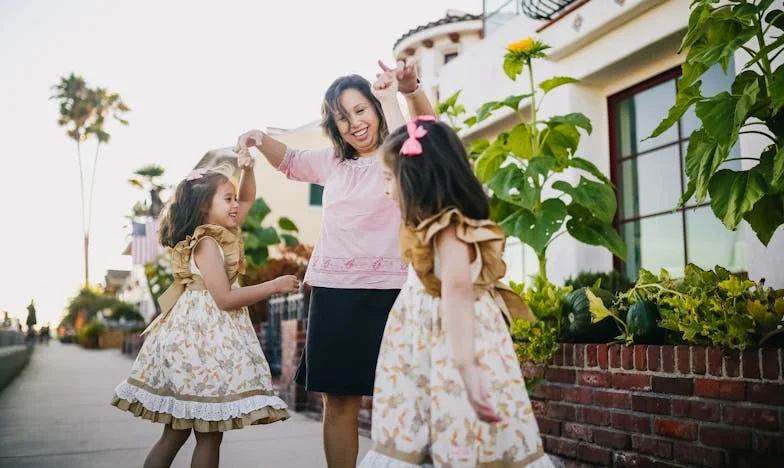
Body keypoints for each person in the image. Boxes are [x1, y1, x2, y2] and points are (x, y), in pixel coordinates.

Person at [234, 61, 434, 468]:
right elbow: (288, 160)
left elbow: (425, 130)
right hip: (335, 295)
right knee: (338, 401)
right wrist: (258, 137)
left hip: (395, 295)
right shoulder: (332, 163)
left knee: (402, 398)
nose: (354, 124)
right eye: (342, 118)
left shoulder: (400, 154)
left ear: (377, 109)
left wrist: (407, 91)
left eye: (361, 110)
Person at [358, 73, 550, 467]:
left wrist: (468, 369)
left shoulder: (449, 231)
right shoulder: (430, 224)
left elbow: (459, 291)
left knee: (460, 433)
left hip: (451, 352)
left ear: (415, 180)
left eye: (388, 179)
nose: (386, 189)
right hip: (427, 354)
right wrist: (390, 98)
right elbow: (408, 143)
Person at [110, 155, 298, 468]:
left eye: (235, 198)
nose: (237, 204)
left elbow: (249, 196)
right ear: (203, 207)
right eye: (228, 199)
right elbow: (224, 298)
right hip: (200, 348)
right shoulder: (207, 243)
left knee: (177, 432)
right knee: (206, 434)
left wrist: (248, 170)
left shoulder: (222, 232)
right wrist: (274, 285)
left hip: (197, 344)